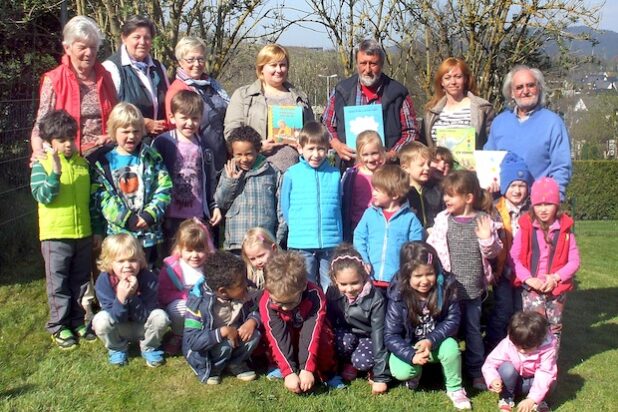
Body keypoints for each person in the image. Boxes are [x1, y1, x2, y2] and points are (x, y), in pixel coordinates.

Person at [427, 170, 502, 389]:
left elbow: (494, 251)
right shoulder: (444, 220)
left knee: (472, 331)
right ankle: (446, 368)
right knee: (445, 329)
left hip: (473, 290)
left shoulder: (483, 220)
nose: (446, 199)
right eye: (445, 194)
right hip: (448, 289)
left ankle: (476, 370)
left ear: (468, 197)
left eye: (451, 195)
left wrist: (487, 238)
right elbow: (433, 247)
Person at [31, 110, 97, 349]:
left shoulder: (83, 164)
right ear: (49, 143)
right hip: (55, 236)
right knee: (58, 283)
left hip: (83, 234)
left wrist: (95, 230)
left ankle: (78, 321)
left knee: (80, 280)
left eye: (71, 138)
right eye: (62, 140)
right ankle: (59, 326)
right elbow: (43, 196)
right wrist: (55, 172)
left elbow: (91, 199)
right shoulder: (42, 165)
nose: (68, 144)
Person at [384, 242, 471, 410]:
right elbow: (391, 335)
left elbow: (453, 320)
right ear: (406, 275)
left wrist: (431, 340)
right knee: (401, 371)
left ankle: (455, 388)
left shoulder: (446, 286)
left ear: (436, 271)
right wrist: (410, 355)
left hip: (436, 344)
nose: (424, 281)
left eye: (429, 274)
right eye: (418, 276)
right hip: (411, 345)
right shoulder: (398, 295)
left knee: (451, 348)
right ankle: (416, 373)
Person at [90, 102, 172, 265]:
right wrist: (126, 218)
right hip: (119, 235)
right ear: (114, 131)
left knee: (147, 277)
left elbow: (164, 187)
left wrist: (150, 215)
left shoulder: (151, 156)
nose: (131, 136)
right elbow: (101, 196)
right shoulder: (103, 163)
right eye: (125, 131)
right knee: (121, 274)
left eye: (136, 131)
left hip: (149, 234)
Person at [31, 16, 117, 159]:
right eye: (82, 47)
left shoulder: (106, 77)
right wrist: (38, 151)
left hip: (105, 157)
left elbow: (117, 120)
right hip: (68, 158)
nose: (89, 53)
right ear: (67, 48)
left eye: (93, 47)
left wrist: (111, 136)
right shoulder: (53, 80)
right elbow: (41, 126)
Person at [258, 251, 343, 393]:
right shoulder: (266, 302)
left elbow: (311, 333)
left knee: (323, 336)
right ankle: (283, 366)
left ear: (303, 286)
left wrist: (307, 368)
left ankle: (327, 372)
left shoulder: (315, 295)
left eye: (290, 302)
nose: (284, 308)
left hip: (309, 337)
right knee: (272, 340)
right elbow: (277, 337)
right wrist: (289, 372)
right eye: (278, 302)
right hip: (287, 336)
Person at [322, 39, 418, 163]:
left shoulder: (398, 94)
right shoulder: (341, 91)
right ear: (357, 63)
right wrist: (336, 144)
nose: (367, 69)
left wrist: (391, 155)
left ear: (382, 64)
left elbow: (411, 132)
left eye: (373, 64)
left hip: (387, 172)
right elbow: (326, 124)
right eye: (363, 63)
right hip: (350, 167)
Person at [510, 177, 580, 348]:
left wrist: (556, 277)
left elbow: (574, 261)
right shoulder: (526, 227)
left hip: (556, 289)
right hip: (532, 289)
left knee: (554, 326)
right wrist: (528, 278)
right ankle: (532, 364)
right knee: (533, 327)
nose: (543, 210)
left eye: (548, 204)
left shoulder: (565, 231)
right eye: (538, 205)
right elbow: (514, 257)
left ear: (557, 204)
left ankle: (549, 366)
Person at [484, 65, 572, 199]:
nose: (525, 91)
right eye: (519, 87)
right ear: (511, 93)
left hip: (538, 204)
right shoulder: (499, 123)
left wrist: (554, 200)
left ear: (539, 88)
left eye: (530, 85)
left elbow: (561, 167)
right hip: (503, 205)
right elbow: (487, 160)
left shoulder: (553, 123)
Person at [224, 44, 314, 172]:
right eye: (273, 65)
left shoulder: (300, 97)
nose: (279, 70)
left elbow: (313, 133)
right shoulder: (243, 96)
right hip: (256, 172)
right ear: (261, 68)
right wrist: (257, 148)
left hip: (295, 171)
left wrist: (304, 144)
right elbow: (231, 134)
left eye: (282, 65)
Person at [153, 90, 221, 250]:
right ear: (172, 117)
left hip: (197, 215)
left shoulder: (204, 146)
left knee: (196, 256)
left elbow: (210, 179)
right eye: (184, 118)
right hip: (170, 216)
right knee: (170, 261)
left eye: (195, 118)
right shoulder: (162, 143)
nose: (189, 123)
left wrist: (213, 205)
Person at [280, 121, 343, 290]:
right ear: (300, 148)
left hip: (330, 242)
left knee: (330, 285)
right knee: (306, 285)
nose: (316, 154)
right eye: (311, 149)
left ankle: (329, 315)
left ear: (327, 149)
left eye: (321, 149)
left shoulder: (335, 174)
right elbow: (285, 206)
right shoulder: (292, 174)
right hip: (302, 242)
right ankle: (310, 315)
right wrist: (297, 227)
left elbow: (339, 205)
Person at [92, 234, 170, 367]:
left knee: (160, 316)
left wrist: (132, 296)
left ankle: (149, 346)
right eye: (121, 261)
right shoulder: (104, 281)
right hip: (119, 327)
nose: (127, 265)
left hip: (143, 326)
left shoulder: (149, 279)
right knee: (100, 320)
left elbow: (144, 316)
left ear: (140, 260)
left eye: (133, 260)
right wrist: (121, 297)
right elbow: (116, 318)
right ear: (110, 263)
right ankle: (117, 348)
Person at [183, 250, 261, 384]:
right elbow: (193, 341)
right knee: (225, 346)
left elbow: (256, 308)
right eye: (241, 284)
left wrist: (252, 321)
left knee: (254, 335)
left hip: (235, 338)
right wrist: (222, 332)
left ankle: (235, 363)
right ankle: (212, 369)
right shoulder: (197, 304)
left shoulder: (243, 292)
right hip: (210, 349)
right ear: (223, 291)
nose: (246, 285)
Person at [325, 243, 390, 394]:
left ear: (364, 276)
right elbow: (328, 326)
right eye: (343, 284)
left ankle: (371, 368)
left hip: (369, 337)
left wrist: (381, 378)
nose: (349, 289)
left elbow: (379, 334)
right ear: (335, 279)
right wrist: (328, 369)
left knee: (362, 360)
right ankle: (346, 363)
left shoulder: (376, 298)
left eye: (355, 283)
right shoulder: (333, 292)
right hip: (347, 334)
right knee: (341, 341)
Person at [485, 152, 533, 351]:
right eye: (513, 185)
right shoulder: (495, 208)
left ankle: (519, 349)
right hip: (502, 271)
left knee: (521, 311)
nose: (517, 190)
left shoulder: (532, 210)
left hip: (526, 272)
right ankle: (494, 348)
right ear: (505, 187)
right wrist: (493, 270)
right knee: (503, 311)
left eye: (522, 185)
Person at [215, 126, 284, 253]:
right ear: (232, 153)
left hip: (264, 243)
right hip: (237, 242)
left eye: (248, 154)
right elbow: (220, 203)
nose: (244, 159)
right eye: (239, 155)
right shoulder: (229, 171)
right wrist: (231, 182)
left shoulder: (271, 172)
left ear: (258, 150)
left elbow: (280, 209)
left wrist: (277, 239)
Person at [354, 164, 423, 289]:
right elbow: (359, 237)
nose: (373, 193)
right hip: (370, 279)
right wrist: (364, 260)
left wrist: (407, 271)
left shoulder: (410, 219)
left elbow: (415, 249)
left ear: (395, 195)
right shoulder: (370, 214)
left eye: (378, 190)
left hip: (397, 282)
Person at [165, 36, 229, 172]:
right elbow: (174, 129)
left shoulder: (213, 85)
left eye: (200, 59)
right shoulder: (177, 91)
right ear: (180, 62)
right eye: (191, 60)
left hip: (220, 158)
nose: (197, 64)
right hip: (195, 161)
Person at [103, 16, 169, 136]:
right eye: (136, 37)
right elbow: (109, 111)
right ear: (124, 38)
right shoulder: (111, 68)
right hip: (128, 144)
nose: (142, 42)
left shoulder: (159, 67)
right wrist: (142, 123)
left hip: (158, 144)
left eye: (147, 38)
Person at [158, 218, 215, 355]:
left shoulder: (212, 266)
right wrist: (188, 297)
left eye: (200, 250)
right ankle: (179, 335)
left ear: (207, 248)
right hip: (184, 305)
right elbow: (163, 294)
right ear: (180, 249)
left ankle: (207, 335)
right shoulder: (171, 268)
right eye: (189, 250)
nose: (194, 255)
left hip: (207, 305)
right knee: (178, 308)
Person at [482, 311, 557, 412]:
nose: (521, 350)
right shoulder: (508, 343)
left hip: (533, 382)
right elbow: (490, 363)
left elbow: (545, 373)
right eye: (517, 346)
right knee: (506, 369)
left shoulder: (548, 349)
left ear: (539, 341)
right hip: (514, 382)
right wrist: (493, 379)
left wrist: (532, 399)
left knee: (551, 379)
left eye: (526, 348)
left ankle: (540, 401)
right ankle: (507, 398)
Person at [420, 57, 494, 149]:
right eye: (447, 78)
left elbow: (492, 142)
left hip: (472, 162)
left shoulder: (483, 108)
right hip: (439, 162)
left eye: (458, 77)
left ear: (465, 79)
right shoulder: (431, 112)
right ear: (441, 82)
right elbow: (424, 145)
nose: (453, 82)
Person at [341, 130, 386, 242]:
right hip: (358, 226)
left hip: (381, 227)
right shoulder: (352, 175)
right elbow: (344, 201)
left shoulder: (387, 174)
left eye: (374, 153)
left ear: (381, 152)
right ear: (359, 155)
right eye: (365, 154)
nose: (370, 159)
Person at [400, 142, 445, 230]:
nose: (427, 168)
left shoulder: (437, 189)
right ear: (406, 168)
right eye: (421, 165)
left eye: (428, 164)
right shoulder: (402, 193)